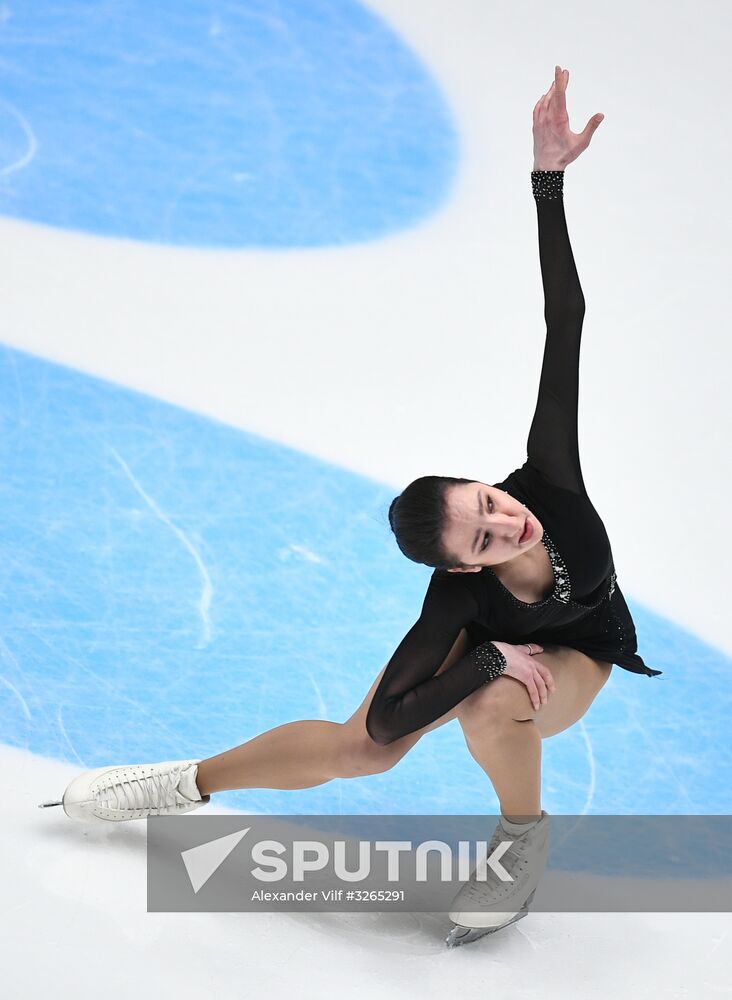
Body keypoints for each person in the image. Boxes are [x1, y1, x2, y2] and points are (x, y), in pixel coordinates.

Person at [42, 65, 658, 940]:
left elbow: (567, 318)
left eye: (488, 503)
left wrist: (546, 182)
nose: (505, 523)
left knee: (493, 709)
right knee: (357, 747)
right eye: (483, 538)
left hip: (582, 646)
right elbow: (389, 719)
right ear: (460, 567)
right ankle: (181, 783)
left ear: (486, 481)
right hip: (492, 651)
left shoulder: (548, 480)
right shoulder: (458, 603)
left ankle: (521, 842)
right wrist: (485, 658)